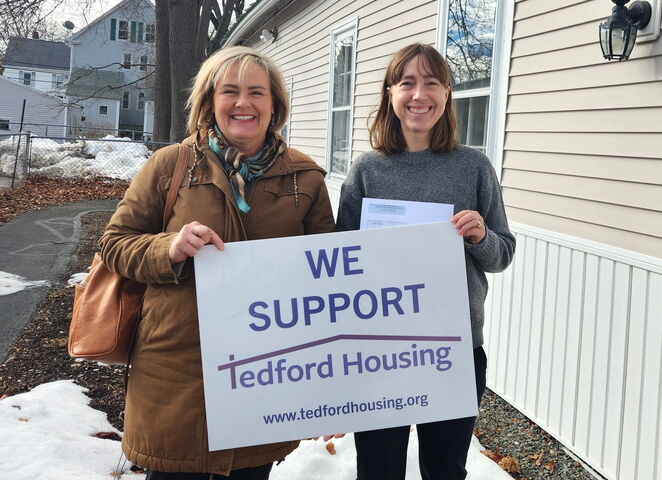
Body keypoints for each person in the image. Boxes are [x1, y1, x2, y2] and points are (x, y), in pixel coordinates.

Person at [100, 46, 335, 479]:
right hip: (176, 367)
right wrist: (168, 248)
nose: (243, 103)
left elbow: (326, 279)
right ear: (210, 100)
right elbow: (115, 244)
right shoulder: (171, 165)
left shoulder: (306, 179)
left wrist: (330, 379)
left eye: (256, 92)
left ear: (275, 105)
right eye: (230, 91)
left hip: (266, 370)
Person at [335, 43, 516, 480]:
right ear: (390, 94)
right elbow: (341, 260)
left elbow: (502, 254)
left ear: (448, 93)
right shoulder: (367, 170)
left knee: (445, 470)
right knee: (378, 470)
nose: (420, 95)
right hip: (379, 350)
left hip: (451, 348)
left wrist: (479, 236)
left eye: (432, 83)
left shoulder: (474, 167)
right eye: (408, 83)